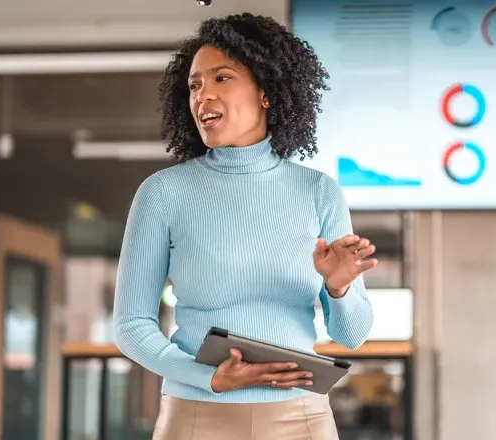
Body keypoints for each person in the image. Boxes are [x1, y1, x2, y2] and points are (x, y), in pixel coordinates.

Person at [114, 12, 376, 440]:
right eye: (195, 85)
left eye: (221, 78)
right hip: (195, 415)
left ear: (267, 92)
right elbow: (131, 324)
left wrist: (339, 288)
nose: (203, 96)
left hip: (301, 419)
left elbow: (352, 336)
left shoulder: (318, 192)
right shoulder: (163, 193)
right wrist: (208, 378)